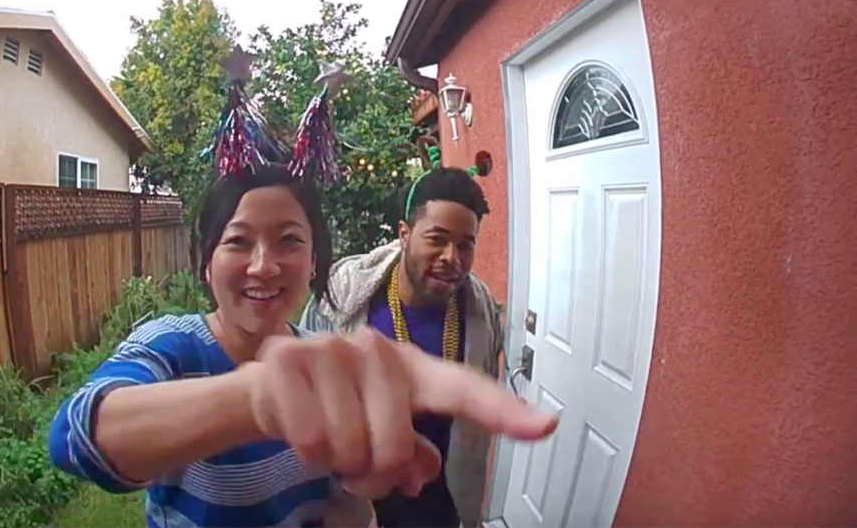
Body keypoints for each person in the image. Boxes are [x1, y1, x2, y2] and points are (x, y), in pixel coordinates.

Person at [49, 164, 553, 528]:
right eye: (238, 241)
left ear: (314, 261)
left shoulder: (326, 351)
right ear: (206, 263)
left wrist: (357, 490)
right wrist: (257, 398)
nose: (263, 265)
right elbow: (75, 438)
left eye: (289, 240)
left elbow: (343, 508)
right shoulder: (171, 343)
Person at [300, 166, 505, 528]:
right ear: (404, 235)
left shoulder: (481, 313)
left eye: (465, 244)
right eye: (437, 239)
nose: (451, 258)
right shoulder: (346, 294)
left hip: (440, 503)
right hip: (351, 503)